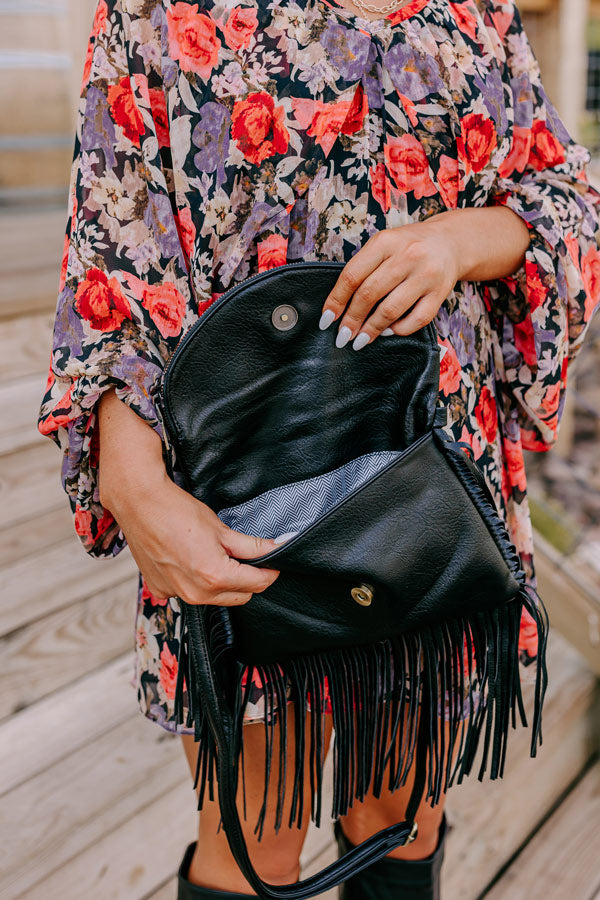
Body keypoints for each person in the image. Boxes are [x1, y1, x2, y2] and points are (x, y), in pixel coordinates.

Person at [37, 0, 600, 896]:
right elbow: (113, 270)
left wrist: (456, 240)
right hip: (243, 518)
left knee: (401, 825)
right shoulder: (155, 14)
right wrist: (130, 483)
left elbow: (562, 199)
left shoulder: (478, 14)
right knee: (255, 849)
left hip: (431, 493)